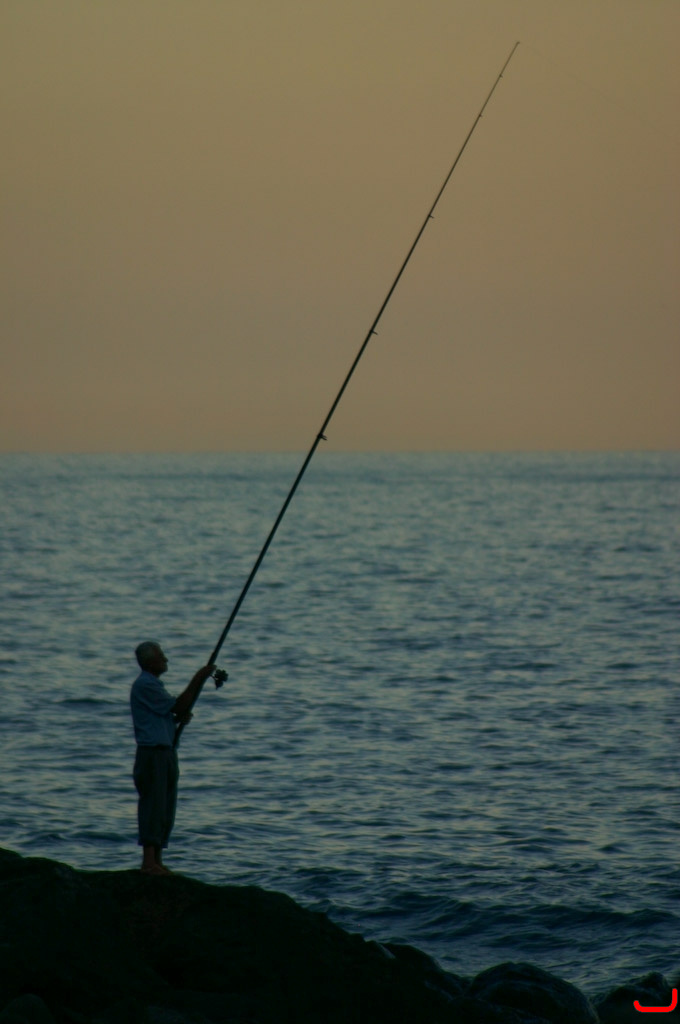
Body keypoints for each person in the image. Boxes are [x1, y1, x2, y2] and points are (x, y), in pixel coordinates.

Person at [130, 641, 214, 875]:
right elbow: (179, 705)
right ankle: (148, 862)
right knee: (153, 805)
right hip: (153, 754)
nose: (166, 659)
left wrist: (176, 720)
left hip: (165, 752)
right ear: (150, 662)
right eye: (161, 656)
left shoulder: (153, 685)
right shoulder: (145, 684)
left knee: (165, 807)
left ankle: (157, 860)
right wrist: (199, 677)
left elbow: (166, 714)